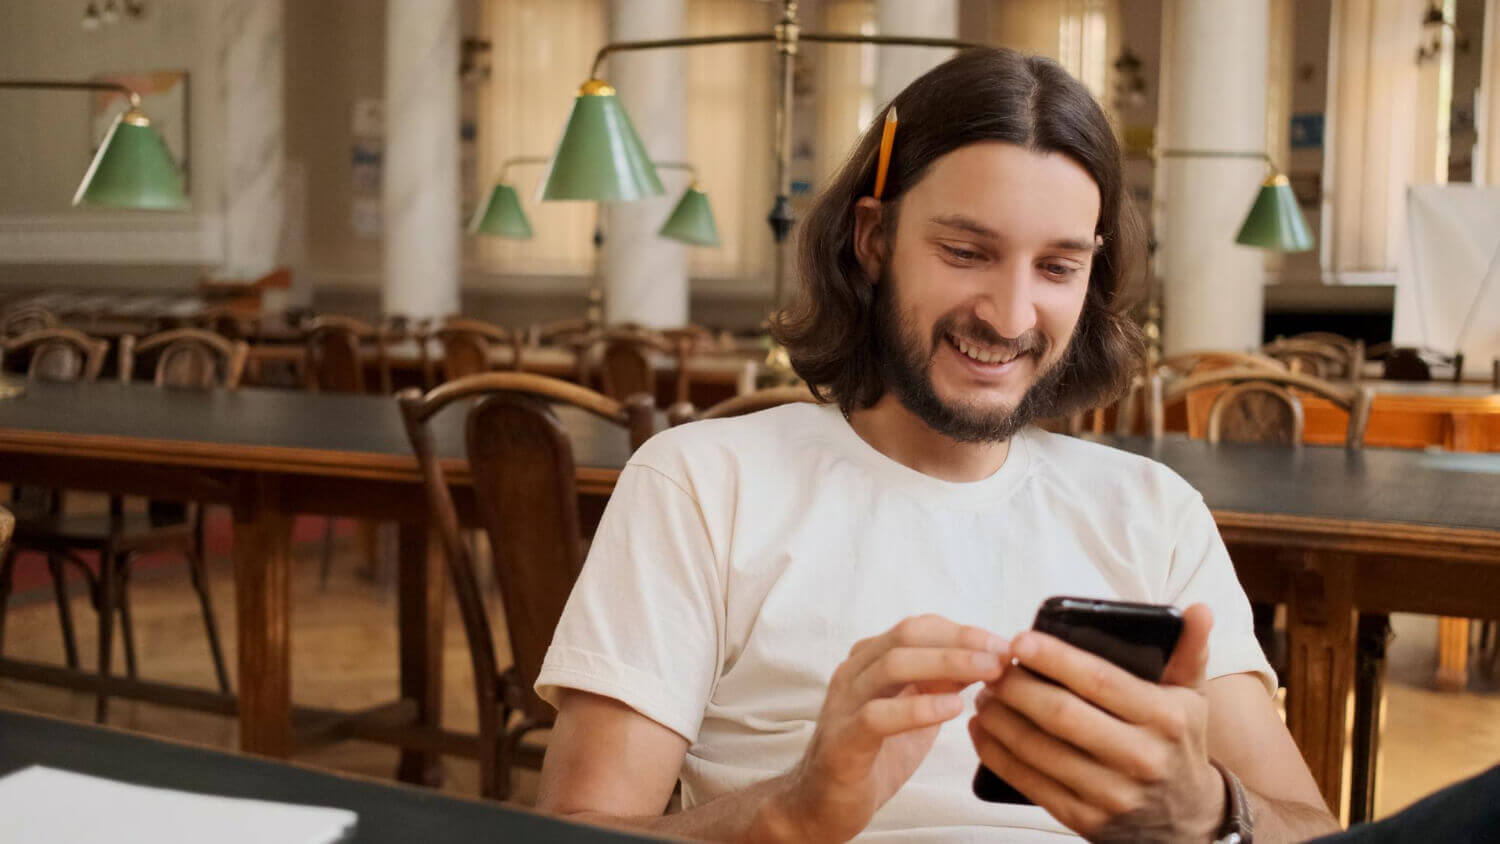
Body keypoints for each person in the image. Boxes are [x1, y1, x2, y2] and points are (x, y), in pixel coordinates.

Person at [533, 47, 1340, 842]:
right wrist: (790, 812)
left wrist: (1207, 812)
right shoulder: (702, 485)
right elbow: (576, 833)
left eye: (1057, 267)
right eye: (965, 252)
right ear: (874, 240)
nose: (1012, 315)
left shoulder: (1155, 514)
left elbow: (1311, 830)